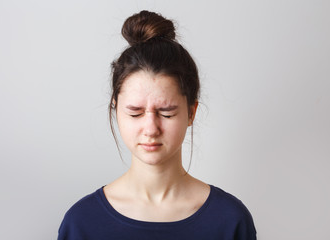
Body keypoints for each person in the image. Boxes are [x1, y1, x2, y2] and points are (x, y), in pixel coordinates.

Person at [58, 10, 256, 240]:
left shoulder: (230, 220)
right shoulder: (82, 222)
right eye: (135, 113)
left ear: (191, 112)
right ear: (116, 109)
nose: (151, 129)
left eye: (167, 113)